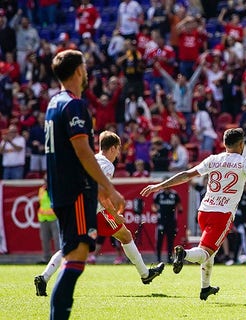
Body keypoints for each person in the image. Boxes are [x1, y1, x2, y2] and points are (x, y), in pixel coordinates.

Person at [140, 128, 246, 301]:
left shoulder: (213, 159)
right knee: (206, 252)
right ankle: (184, 254)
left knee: (211, 251)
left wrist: (159, 186)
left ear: (224, 144)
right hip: (222, 215)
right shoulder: (243, 161)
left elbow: (186, 175)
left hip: (204, 212)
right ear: (241, 144)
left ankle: (205, 287)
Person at [43, 49, 125, 320]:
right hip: (76, 190)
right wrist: (108, 186)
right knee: (76, 256)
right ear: (79, 71)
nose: (87, 72)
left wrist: (100, 187)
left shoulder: (54, 103)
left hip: (62, 188)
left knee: (74, 255)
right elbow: (82, 150)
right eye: (85, 67)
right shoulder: (73, 105)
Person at [35, 131, 164, 297]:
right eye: (117, 150)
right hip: (95, 210)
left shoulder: (93, 159)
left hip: (76, 207)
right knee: (125, 236)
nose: (118, 154)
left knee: (71, 245)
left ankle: (44, 278)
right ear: (112, 148)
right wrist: (115, 214)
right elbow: (101, 194)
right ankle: (145, 275)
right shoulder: (106, 165)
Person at [153, 183, 182, 263]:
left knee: (170, 241)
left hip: (171, 222)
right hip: (161, 221)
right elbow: (153, 206)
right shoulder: (158, 195)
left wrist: (179, 209)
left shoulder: (174, 194)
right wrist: (157, 210)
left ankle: (170, 258)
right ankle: (158, 258)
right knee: (159, 240)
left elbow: (179, 206)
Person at [37, 175, 60, 264]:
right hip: (43, 219)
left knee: (57, 240)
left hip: (54, 218)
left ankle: (59, 259)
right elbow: (40, 202)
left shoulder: (55, 189)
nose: (46, 183)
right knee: (44, 239)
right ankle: (46, 258)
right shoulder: (41, 190)